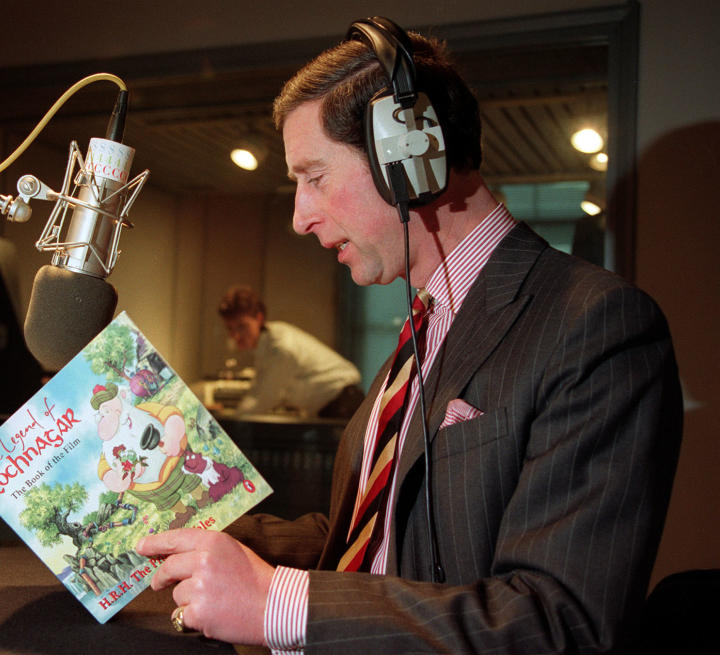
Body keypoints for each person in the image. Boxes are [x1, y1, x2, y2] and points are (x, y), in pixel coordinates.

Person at [136, 17, 682, 653]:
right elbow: (373, 536)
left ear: (410, 159)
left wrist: (275, 603)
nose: (299, 217)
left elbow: (561, 622)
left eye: (313, 177)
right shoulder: (426, 324)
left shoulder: (597, 324)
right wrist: (182, 530)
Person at [216, 285, 363, 419]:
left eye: (242, 326)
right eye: (230, 328)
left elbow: (263, 398)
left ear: (259, 319)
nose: (235, 335)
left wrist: (231, 423)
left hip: (345, 405)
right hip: (335, 405)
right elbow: (258, 391)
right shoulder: (269, 341)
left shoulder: (280, 348)